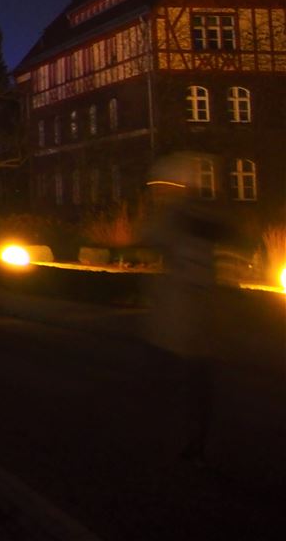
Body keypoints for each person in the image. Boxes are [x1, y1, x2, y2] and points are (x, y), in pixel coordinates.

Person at [145, 153, 227, 464]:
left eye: (160, 187)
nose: (156, 194)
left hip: (184, 318)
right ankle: (192, 439)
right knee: (192, 382)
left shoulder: (179, 217)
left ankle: (187, 442)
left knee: (181, 381)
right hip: (189, 315)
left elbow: (156, 238)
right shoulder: (196, 217)